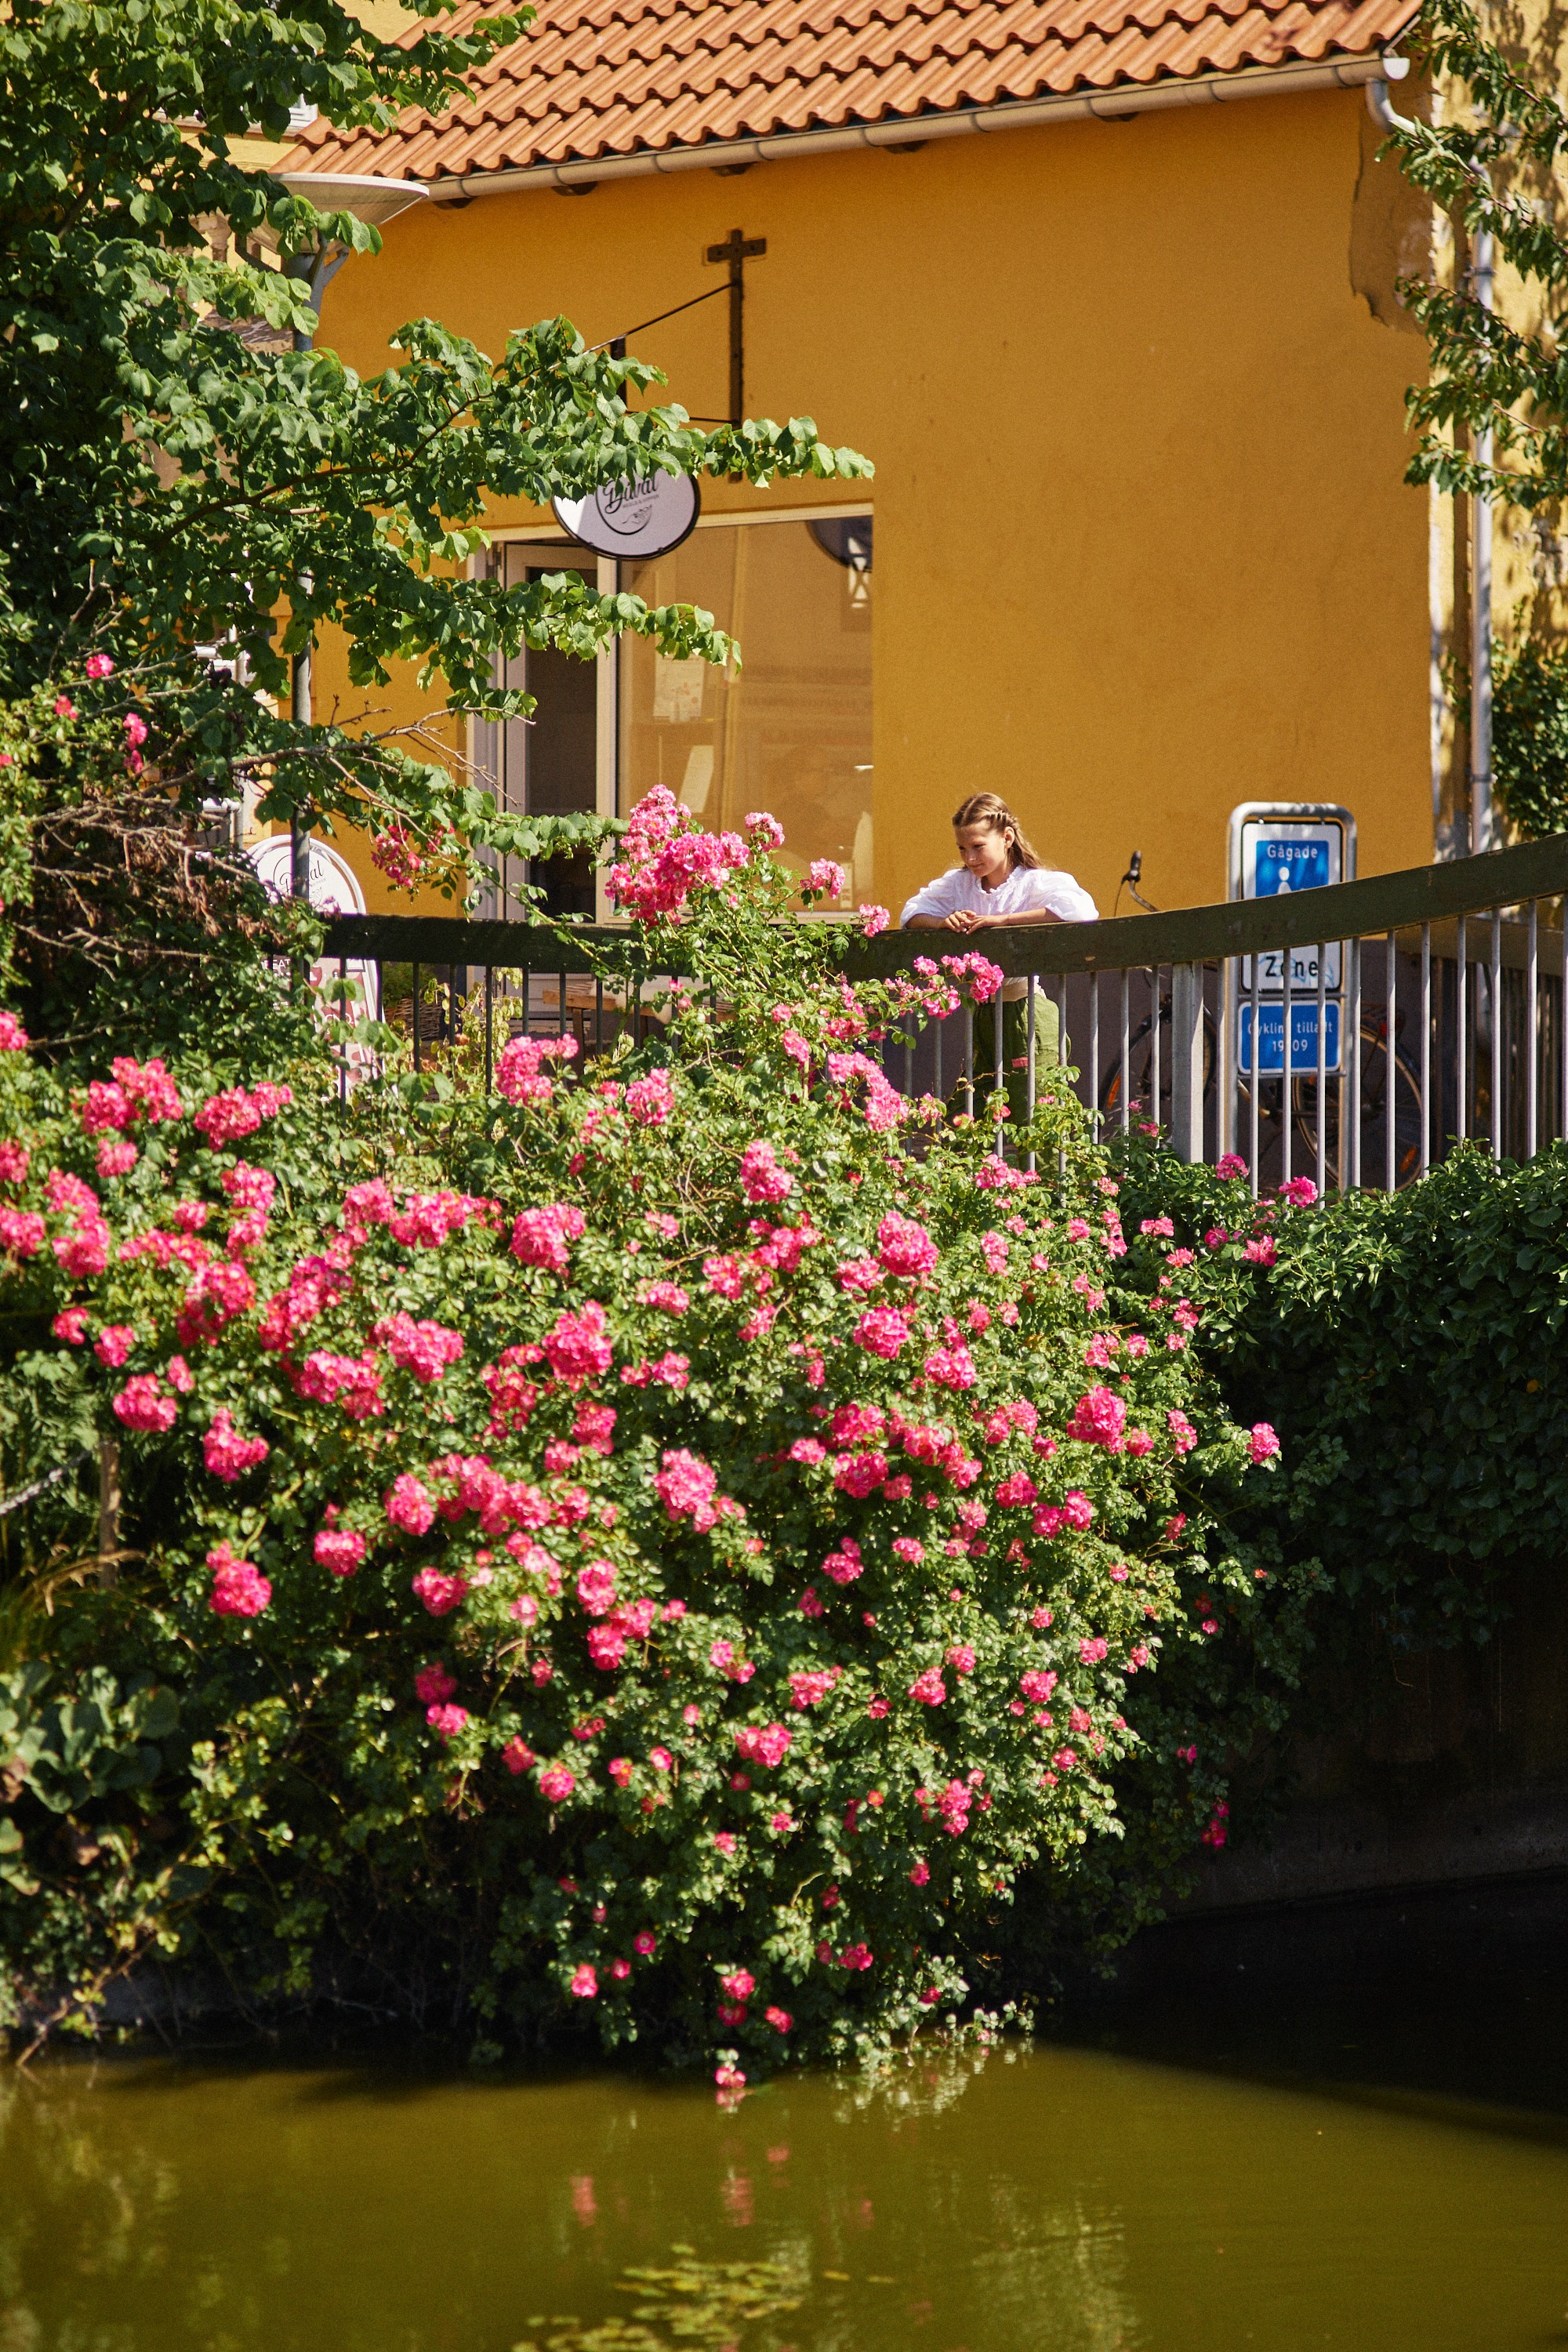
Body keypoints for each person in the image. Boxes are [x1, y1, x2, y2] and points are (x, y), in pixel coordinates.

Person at [900, 793, 1098, 931]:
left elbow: (1080, 909)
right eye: (962, 848)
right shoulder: (958, 884)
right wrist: (942, 923)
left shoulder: (1032, 883)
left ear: (1007, 838)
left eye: (978, 846)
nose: (970, 858)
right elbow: (912, 913)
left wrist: (1004, 920)